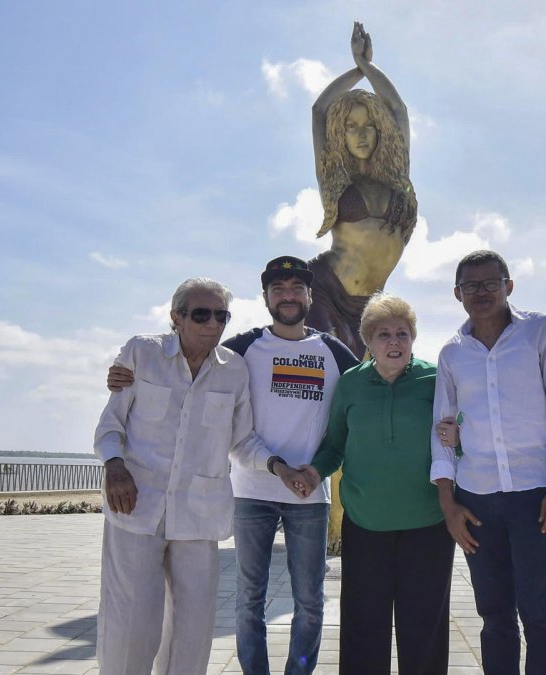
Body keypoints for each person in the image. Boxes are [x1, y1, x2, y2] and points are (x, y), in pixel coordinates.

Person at [106, 256, 358, 675]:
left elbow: (371, 383)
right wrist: (121, 371)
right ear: (266, 298)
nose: (288, 295)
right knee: (248, 600)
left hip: (310, 495)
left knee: (310, 601)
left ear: (310, 296)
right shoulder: (241, 349)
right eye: (278, 288)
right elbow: (185, 352)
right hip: (251, 493)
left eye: (297, 288)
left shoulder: (333, 351)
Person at [94, 277, 269, 675]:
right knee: (131, 623)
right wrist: (114, 466)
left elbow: (242, 441)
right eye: (201, 315)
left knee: (194, 629)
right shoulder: (142, 352)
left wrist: (278, 466)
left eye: (221, 316)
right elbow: (110, 427)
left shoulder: (234, 370)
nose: (212, 324)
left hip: (199, 513)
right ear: (176, 317)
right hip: (136, 505)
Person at [430, 251, 546, 675]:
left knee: (540, 614)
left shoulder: (541, 332)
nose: (481, 292)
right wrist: (448, 503)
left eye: (490, 283)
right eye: (471, 286)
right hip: (476, 500)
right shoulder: (452, 353)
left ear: (508, 286)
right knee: (494, 615)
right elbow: (441, 429)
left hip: (537, 495)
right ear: (457, 293)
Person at [285, 293, 454, 674]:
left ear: (413, 338)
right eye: (383, 334)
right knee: (363, 628)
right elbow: (335, 444)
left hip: (428, 526)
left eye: (402, 333)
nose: (394, 342)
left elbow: (458, 437)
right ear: (368, 342)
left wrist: (459, 437)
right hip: (365, 525)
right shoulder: (351, 384)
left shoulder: (436, 380)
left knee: (424, 629)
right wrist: (314, 472)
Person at [306, 22, 418, 357]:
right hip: (325, 287)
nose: (361, 134)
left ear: (381, 130)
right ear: (340, 134)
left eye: (369, 125)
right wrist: (357, 69)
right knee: (329, 368)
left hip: (371, 303)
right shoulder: (335, 179)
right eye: (351, 126)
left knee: (368, 376)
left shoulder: (397, 178)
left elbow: (398, 109)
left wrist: (368, 65)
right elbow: (319, 110)